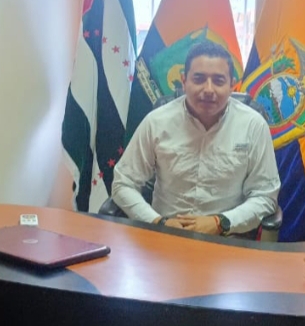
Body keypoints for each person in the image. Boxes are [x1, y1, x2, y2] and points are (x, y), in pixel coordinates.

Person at [111, 41, 281, 238]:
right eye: (199, 79)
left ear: (232, 85)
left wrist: (220, 222)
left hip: (227, 238)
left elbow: (265, 195)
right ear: (184, 81)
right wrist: (158, 222)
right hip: (165, 235)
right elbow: (123, 183)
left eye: (218, 81)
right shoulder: (156, 122)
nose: (208, 89)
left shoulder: (253, 126)